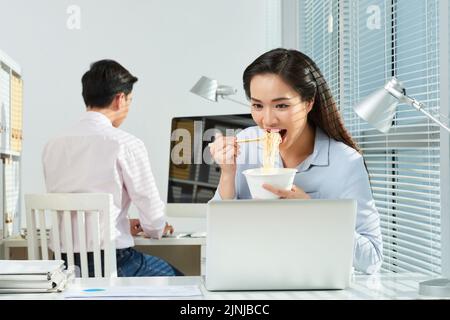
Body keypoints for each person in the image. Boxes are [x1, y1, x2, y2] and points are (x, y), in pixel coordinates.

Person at [209, 48, 383, 274]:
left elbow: (371, 260)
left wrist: (313, 212)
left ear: (308, 103)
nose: (268, 120)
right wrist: (228, 174)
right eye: (257, 105)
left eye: (281, 105)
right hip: (253, 278)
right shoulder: (244, 145)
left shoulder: (346, 162)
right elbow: (220, 236)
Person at [42, 59, 183, 277]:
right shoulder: (125, 143)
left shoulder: (53, 144)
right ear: (120, 99)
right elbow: (154, 219)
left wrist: (124, 224)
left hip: (63, 269)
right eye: (130, 100)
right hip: (115, 265)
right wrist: (156, 227)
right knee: (179, 279)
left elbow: (78, 203)